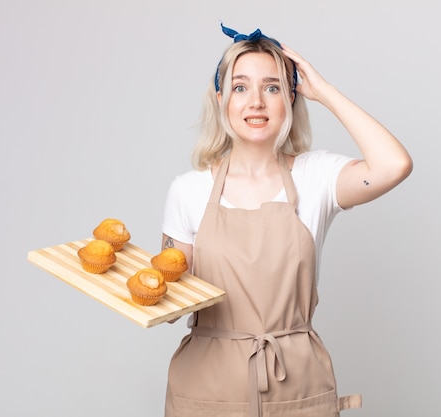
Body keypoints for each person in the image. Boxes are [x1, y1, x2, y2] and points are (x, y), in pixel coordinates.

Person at [160, 23, 413, 417]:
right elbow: (171, 300)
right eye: (241, 87)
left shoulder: (316, 177)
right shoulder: (187, 191)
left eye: (273, 87)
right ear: (221, 98)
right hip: (206, 389)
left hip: (296, 384)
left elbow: (394, 165)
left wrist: (324, 92)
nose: (256, 101)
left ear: (291, 99)